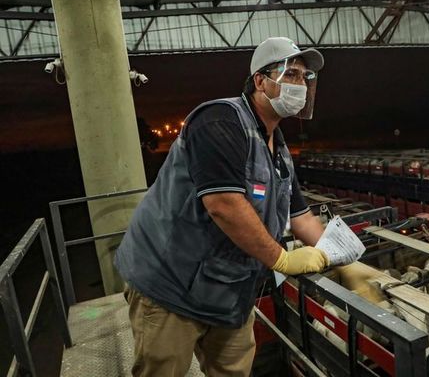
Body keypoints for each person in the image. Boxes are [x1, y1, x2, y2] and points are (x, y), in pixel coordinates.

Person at [114, 37, 329, 377]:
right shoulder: (220, 121)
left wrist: (341, 259)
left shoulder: (278, 149)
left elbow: (299, 216)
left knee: (233, 368)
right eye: (291, 74)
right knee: (163, 369)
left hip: (229, 289)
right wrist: (281, 259)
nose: (300, 85)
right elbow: (224, 205)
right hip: (170, 282)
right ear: (261, 81)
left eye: (305, 78)